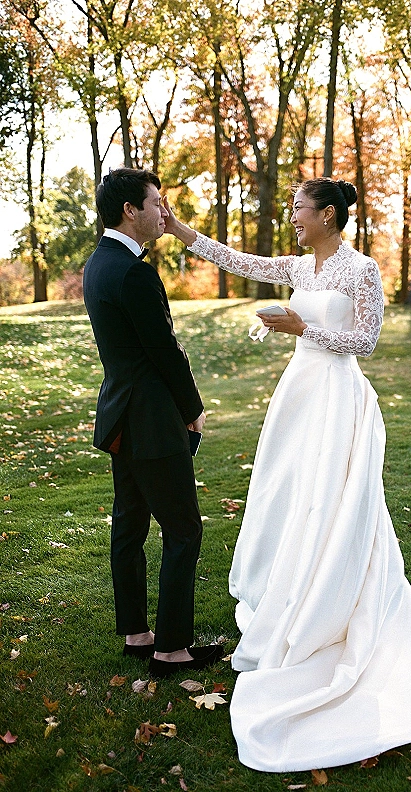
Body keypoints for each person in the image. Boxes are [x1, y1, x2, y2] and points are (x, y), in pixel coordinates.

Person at [164, 177, 411, 770]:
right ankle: (287, 581)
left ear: (328, 214)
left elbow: (366, 340)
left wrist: (300, 328)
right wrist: (180, 230)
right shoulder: (300, 266)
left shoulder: (361, 270)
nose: (293, 218)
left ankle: (327, 590)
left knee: (330, 497)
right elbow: (232, 257)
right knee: (288, 494)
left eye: (300, 209)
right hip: (299, 395)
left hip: (338, 396)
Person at [83, 168, 223, 677]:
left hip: (121, 414)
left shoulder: (98, 264)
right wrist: (192, 409)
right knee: (183, 528)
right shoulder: (134, 272)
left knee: (130, 524)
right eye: (156, 203)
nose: (163, 212)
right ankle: (171, 649)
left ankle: (136, 633)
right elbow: (164, 351)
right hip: (153, 420)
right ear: (131, 210)